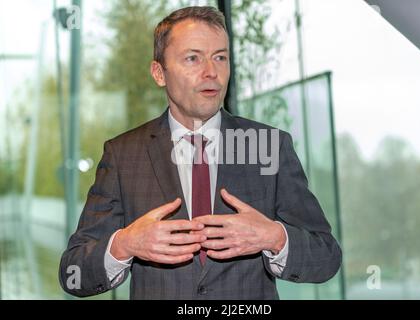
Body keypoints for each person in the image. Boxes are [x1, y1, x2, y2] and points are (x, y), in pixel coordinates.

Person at [59, 6, 342, 300]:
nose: (211, 72)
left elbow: (327, 257)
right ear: (159, 73)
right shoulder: (123, 155)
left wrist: (273, 237)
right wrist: (124, 245)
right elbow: (73, 274)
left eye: (220, 57)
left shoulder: (269, 145)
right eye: (193, 58)